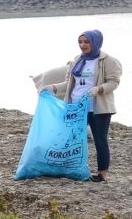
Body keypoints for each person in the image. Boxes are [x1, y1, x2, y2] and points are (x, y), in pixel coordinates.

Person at [39, 30, 122, 183]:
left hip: (97, 108)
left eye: (86, 42)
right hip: (75, 108)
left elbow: (114, 82)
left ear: (95, 42)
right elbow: (69, 83)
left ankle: (102, 175)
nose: (82, 45)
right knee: (71, 139)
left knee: (100, 140)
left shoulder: (109, 61)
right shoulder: (77, 60)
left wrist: (98, 89)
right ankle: (71, 169)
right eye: (80, 42)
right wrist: (52, 88)